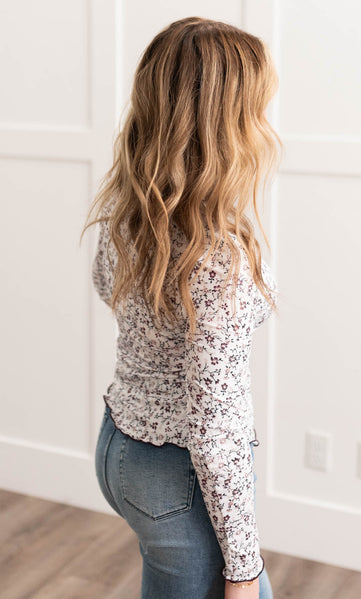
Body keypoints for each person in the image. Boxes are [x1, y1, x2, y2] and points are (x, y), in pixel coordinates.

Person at [80, 15, 282, 599]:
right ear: (230, 124)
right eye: (257, 109)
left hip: (120, 448)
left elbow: (103, 283)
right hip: (179, 478)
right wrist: (242, 569)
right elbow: (214, 425)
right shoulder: (221, 257)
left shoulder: (129, 205)